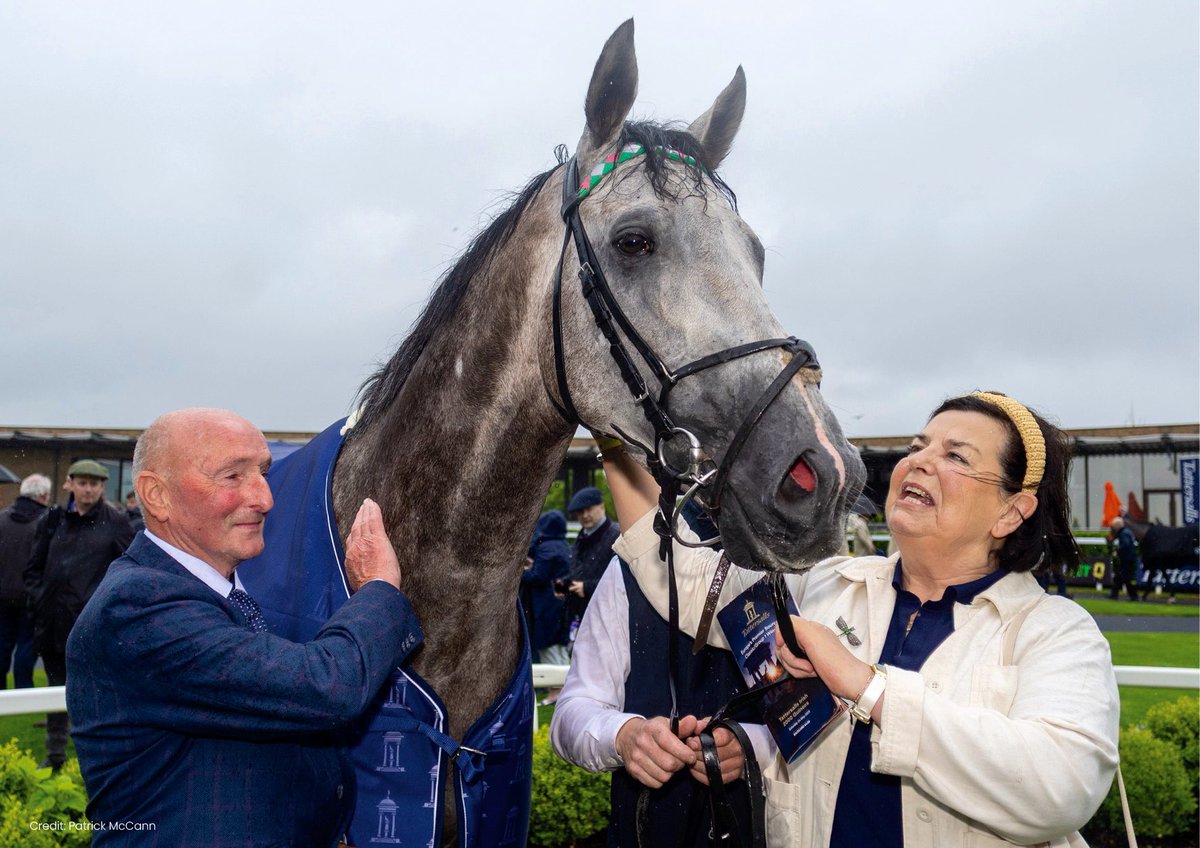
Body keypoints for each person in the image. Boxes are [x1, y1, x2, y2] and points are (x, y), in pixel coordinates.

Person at [604, 391, 1119, 847]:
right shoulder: (824, 582)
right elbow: (685, 578)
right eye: (918, 447)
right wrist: (611, 431)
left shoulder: (1056, 631)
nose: (918, 463)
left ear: (1012, 512)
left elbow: (1061, 788)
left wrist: (863, 683)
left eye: (955, 456)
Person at [66, 407, 424, 846]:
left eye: (263, 472)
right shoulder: (138, 605)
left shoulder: (220, 591)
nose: (265, 499)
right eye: (233, 476)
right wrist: (379, 589)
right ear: (156, 495)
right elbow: (325, 687)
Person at [551, 551, 770, 847]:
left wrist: (753, 746)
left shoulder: (792, 567)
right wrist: (624, 735)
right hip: (644, 828)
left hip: (758, 826)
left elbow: (832, 724)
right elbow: (571, 712)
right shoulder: (630, 566)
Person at [25, 459, 134, 769]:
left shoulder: (115, 521)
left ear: (103, 487)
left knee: (94, 693)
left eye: (95, 484)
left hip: (91, 626)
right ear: (70, 484)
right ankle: (55, 756)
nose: (89, 490)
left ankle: (99, 759)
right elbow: (33, 567)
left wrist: (105, 607)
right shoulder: (53, 519)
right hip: (51, 623)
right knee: (55, 689)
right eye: (83, 483)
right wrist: (39, 598)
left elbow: (129, 569)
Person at [0, 473, 50, 689]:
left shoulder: (2, 519)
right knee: (26, 646)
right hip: (31, 597)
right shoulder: (47, 522)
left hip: (2, 596)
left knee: (1, 645)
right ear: (44, 495)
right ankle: (24, 690)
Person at [562, 486, 621, 645]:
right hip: (583, 616)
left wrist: (586, 587)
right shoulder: (582, 536)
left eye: (589, 510)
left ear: (601, 507)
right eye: (580, 512)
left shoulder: (616, 535)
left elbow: (621, 580)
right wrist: (566, 584)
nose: (585, 516)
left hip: (607, 619)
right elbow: (581, 570)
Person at [521, 509, 571, 664]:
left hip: (547, 609)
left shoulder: (547, 548)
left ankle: (557, 688)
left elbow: (538, 577)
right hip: (558, 607)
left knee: (550, 654)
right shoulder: (562, 545)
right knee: (560, 654)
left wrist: (519, 572)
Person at [1108, 517, 1139, 601]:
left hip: (1126, 559)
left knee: (1124, 578)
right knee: (1121, 577)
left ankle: (1133, 596)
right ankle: (1115, 595)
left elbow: (1126, 545)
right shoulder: (1127, 531)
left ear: (1117, 525)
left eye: (1114, 526)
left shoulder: (1124, 533)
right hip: (1128, 559)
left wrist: (1117, 551)